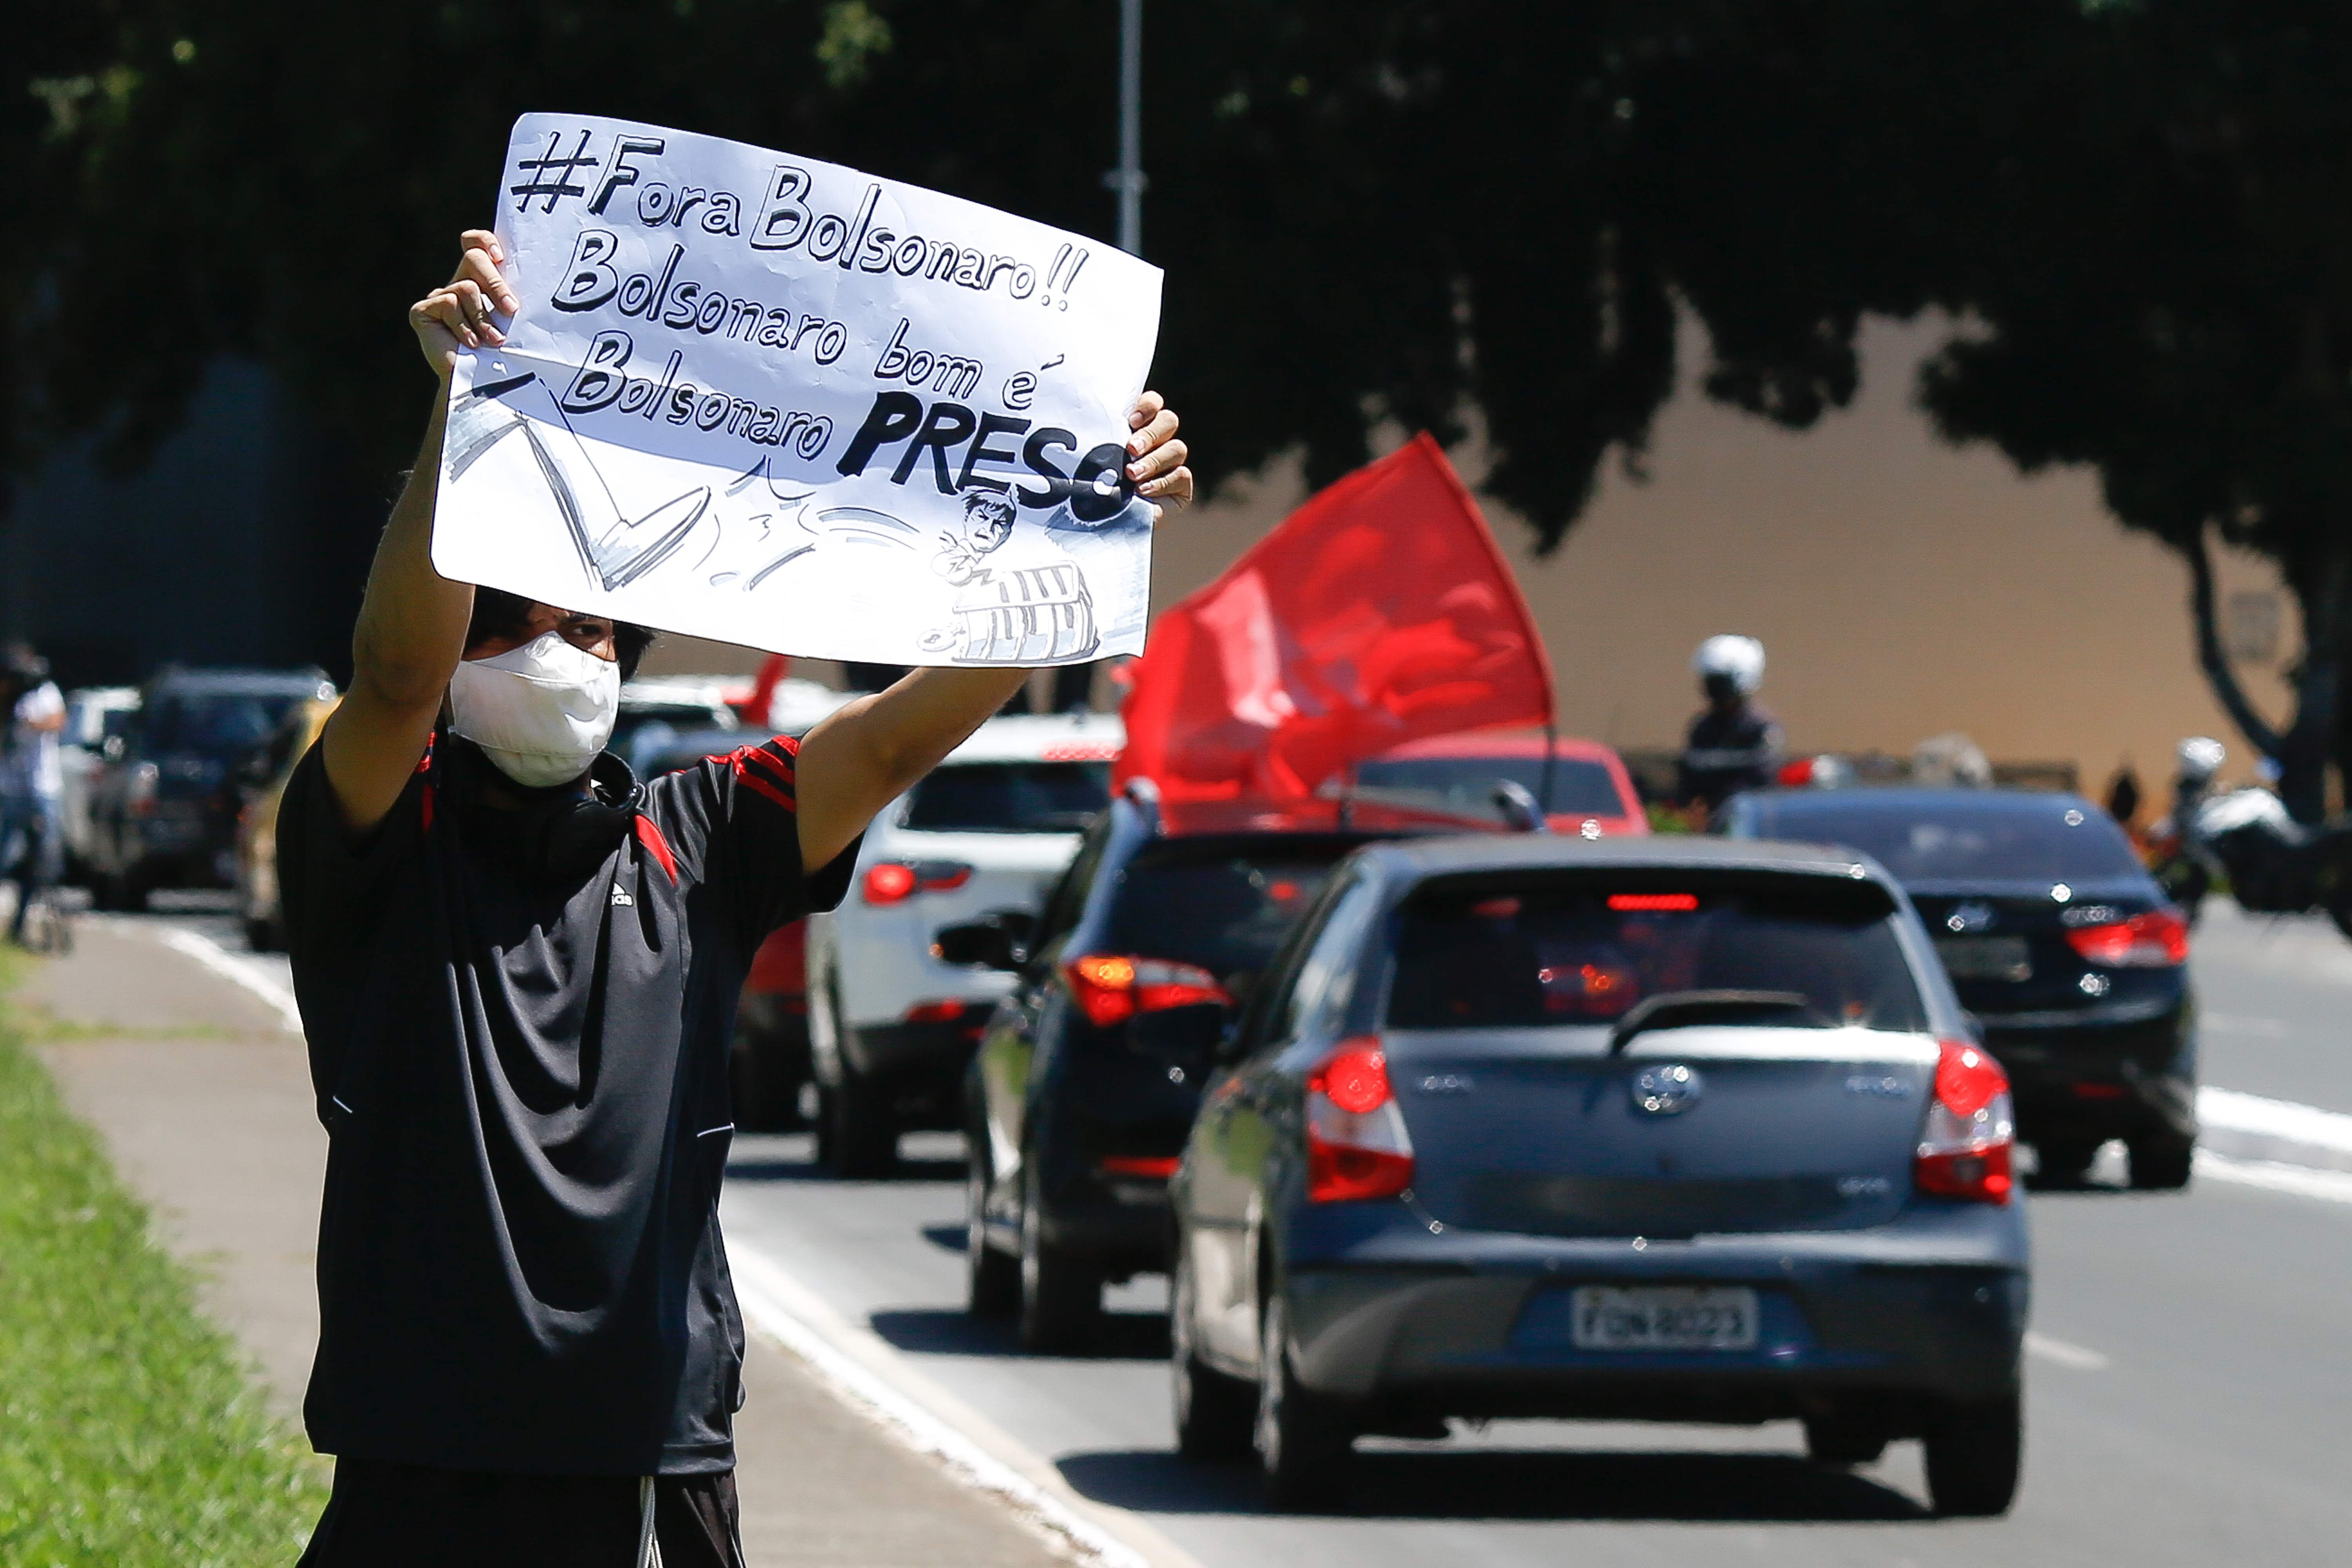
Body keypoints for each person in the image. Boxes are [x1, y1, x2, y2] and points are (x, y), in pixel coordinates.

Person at [282, 230, 1192, 1566]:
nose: (562, 655)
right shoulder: (380, 841)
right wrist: (465, 398)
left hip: (654, 1462)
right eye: (516, 626)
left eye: (592, 630)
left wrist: (1080, 527)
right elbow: (393, 674)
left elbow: (888, 742)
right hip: (428, 1454)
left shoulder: (695, 838)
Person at [0, 644, 66, 946]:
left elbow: (57, 721)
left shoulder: (45, 694)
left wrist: (27, 722)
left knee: (42, 863)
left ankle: (21, 922)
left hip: (43, 789)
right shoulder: (7, 698)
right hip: (10, 790)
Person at [1676, 633, 1782, 813]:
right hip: (1709, 822)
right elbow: (1688, 779)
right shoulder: (1702, 727)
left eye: (1719, 684)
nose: (1713, 691)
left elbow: (1763, 780)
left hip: (1748, 819)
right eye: (1710, 683)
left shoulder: (1759, 727)